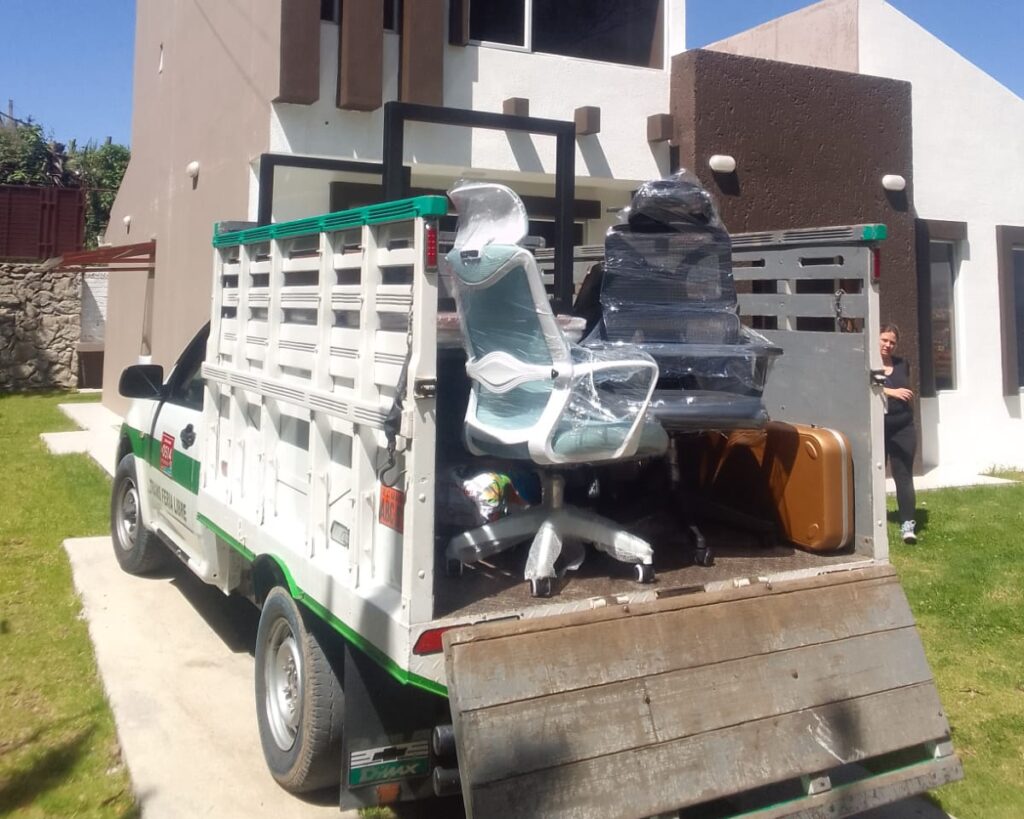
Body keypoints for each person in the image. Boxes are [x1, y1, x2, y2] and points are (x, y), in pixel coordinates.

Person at [880, 324, 917, 544]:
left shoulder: (903, 364)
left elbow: (908, 390)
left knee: (903, 476)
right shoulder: (869, 362)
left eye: (892, 342)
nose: (888, 345)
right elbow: (866, 386)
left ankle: (907, 526)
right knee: (872, 477)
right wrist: (891, 391)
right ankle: (869, 523)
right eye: (884, 340)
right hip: (877, 427)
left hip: (903, 427)